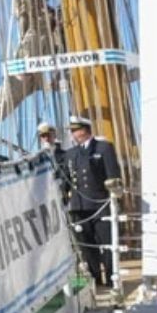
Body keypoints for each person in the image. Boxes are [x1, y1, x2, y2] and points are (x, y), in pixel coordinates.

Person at [65, 115, 121, 288]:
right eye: (73, 131)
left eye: (76, 130)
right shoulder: (71, 153)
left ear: (85, 130)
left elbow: (113, 174)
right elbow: (66, 179)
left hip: (100, 204)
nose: (74, 134)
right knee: (87, 246)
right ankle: (95, 279)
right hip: (79, 206)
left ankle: (112, 278)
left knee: (106, 243)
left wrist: (114, 195)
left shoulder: (103, 148)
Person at [38, 121, 70, 201]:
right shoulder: (38, 159)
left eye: (48, 135)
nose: (46, 139)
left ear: (54, 135)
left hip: (63, 195)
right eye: (43, 136)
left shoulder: (65, 155)